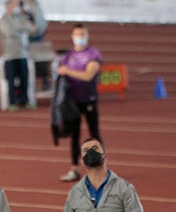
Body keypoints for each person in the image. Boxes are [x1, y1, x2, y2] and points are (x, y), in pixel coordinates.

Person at [57, 24, 102, 182]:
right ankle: (74, 169)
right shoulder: (67, 56)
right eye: (77, 34)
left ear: (87, 35)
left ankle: (100, 168)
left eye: (82, 33)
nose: (79, 36)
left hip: (88, 98)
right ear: (72, 36)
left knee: (94, 134)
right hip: (73, 102)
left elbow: (88, 75)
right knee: (74, 136)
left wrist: (68, 71)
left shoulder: (93, 54)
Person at [62, 137, 144, 212]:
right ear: (82, 162)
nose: (91, 152)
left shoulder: (124, 188)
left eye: (95, 148)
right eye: (86, 151)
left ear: (105, 156)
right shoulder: (75, 191)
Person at [0, 0, 37, 111]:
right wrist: (22, 29)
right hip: (9, 55)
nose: (15, 8)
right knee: (11, 80)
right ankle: (12, 102)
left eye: (16, 5)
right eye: (12, 5)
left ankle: (24, 100)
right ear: (8, 7)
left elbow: (32, 29)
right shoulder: (3, 20)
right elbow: (10, 33)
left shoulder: (21, 17)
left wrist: (22, 28)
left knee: (24, 79)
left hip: (23, 54)